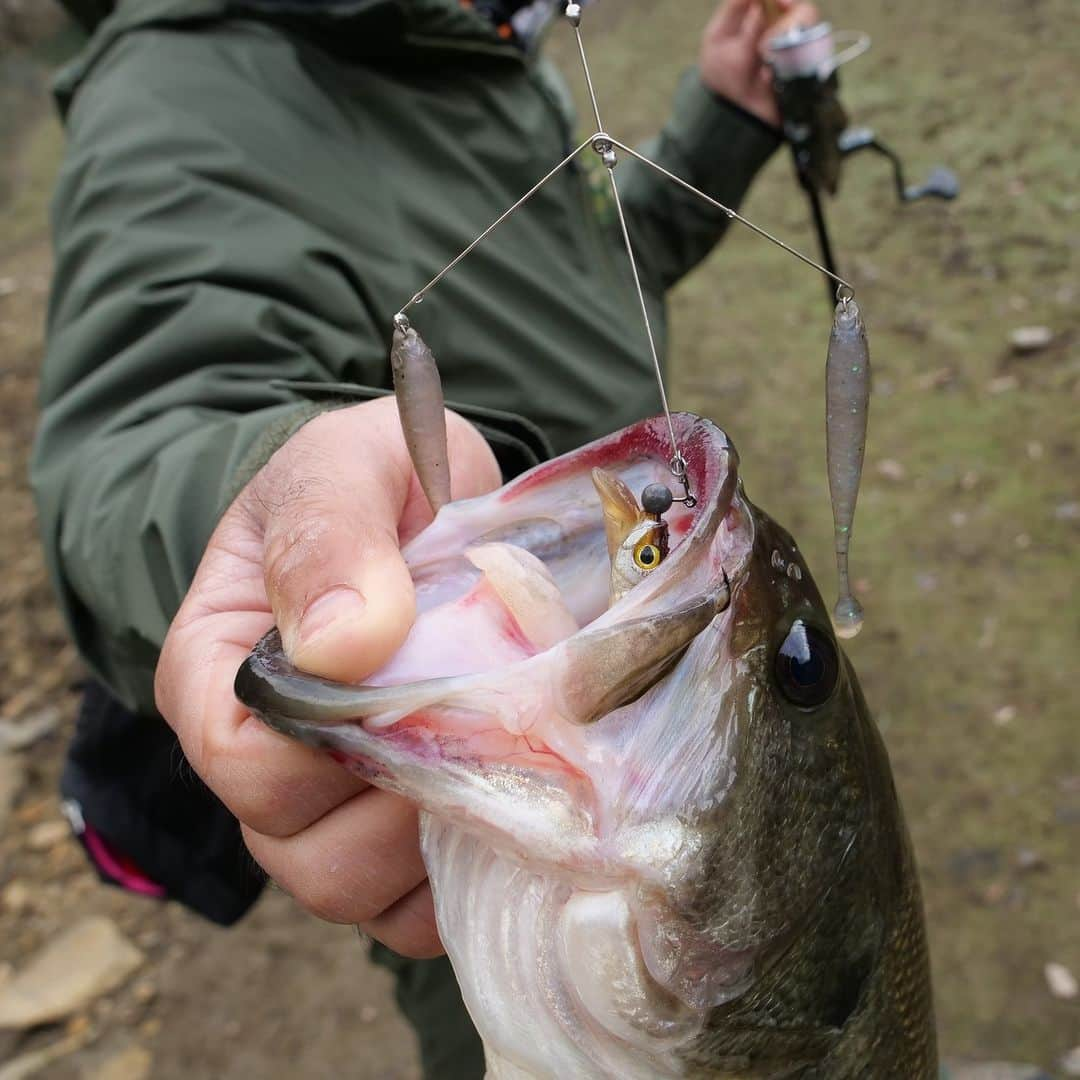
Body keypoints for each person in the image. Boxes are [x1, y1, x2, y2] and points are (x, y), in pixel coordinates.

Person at [32, 0, 815, 1074]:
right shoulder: (181, 87)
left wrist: (723, 124)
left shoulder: (473, 43)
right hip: (492, 874)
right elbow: (144, 422)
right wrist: (267, 503)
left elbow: (582, 274)